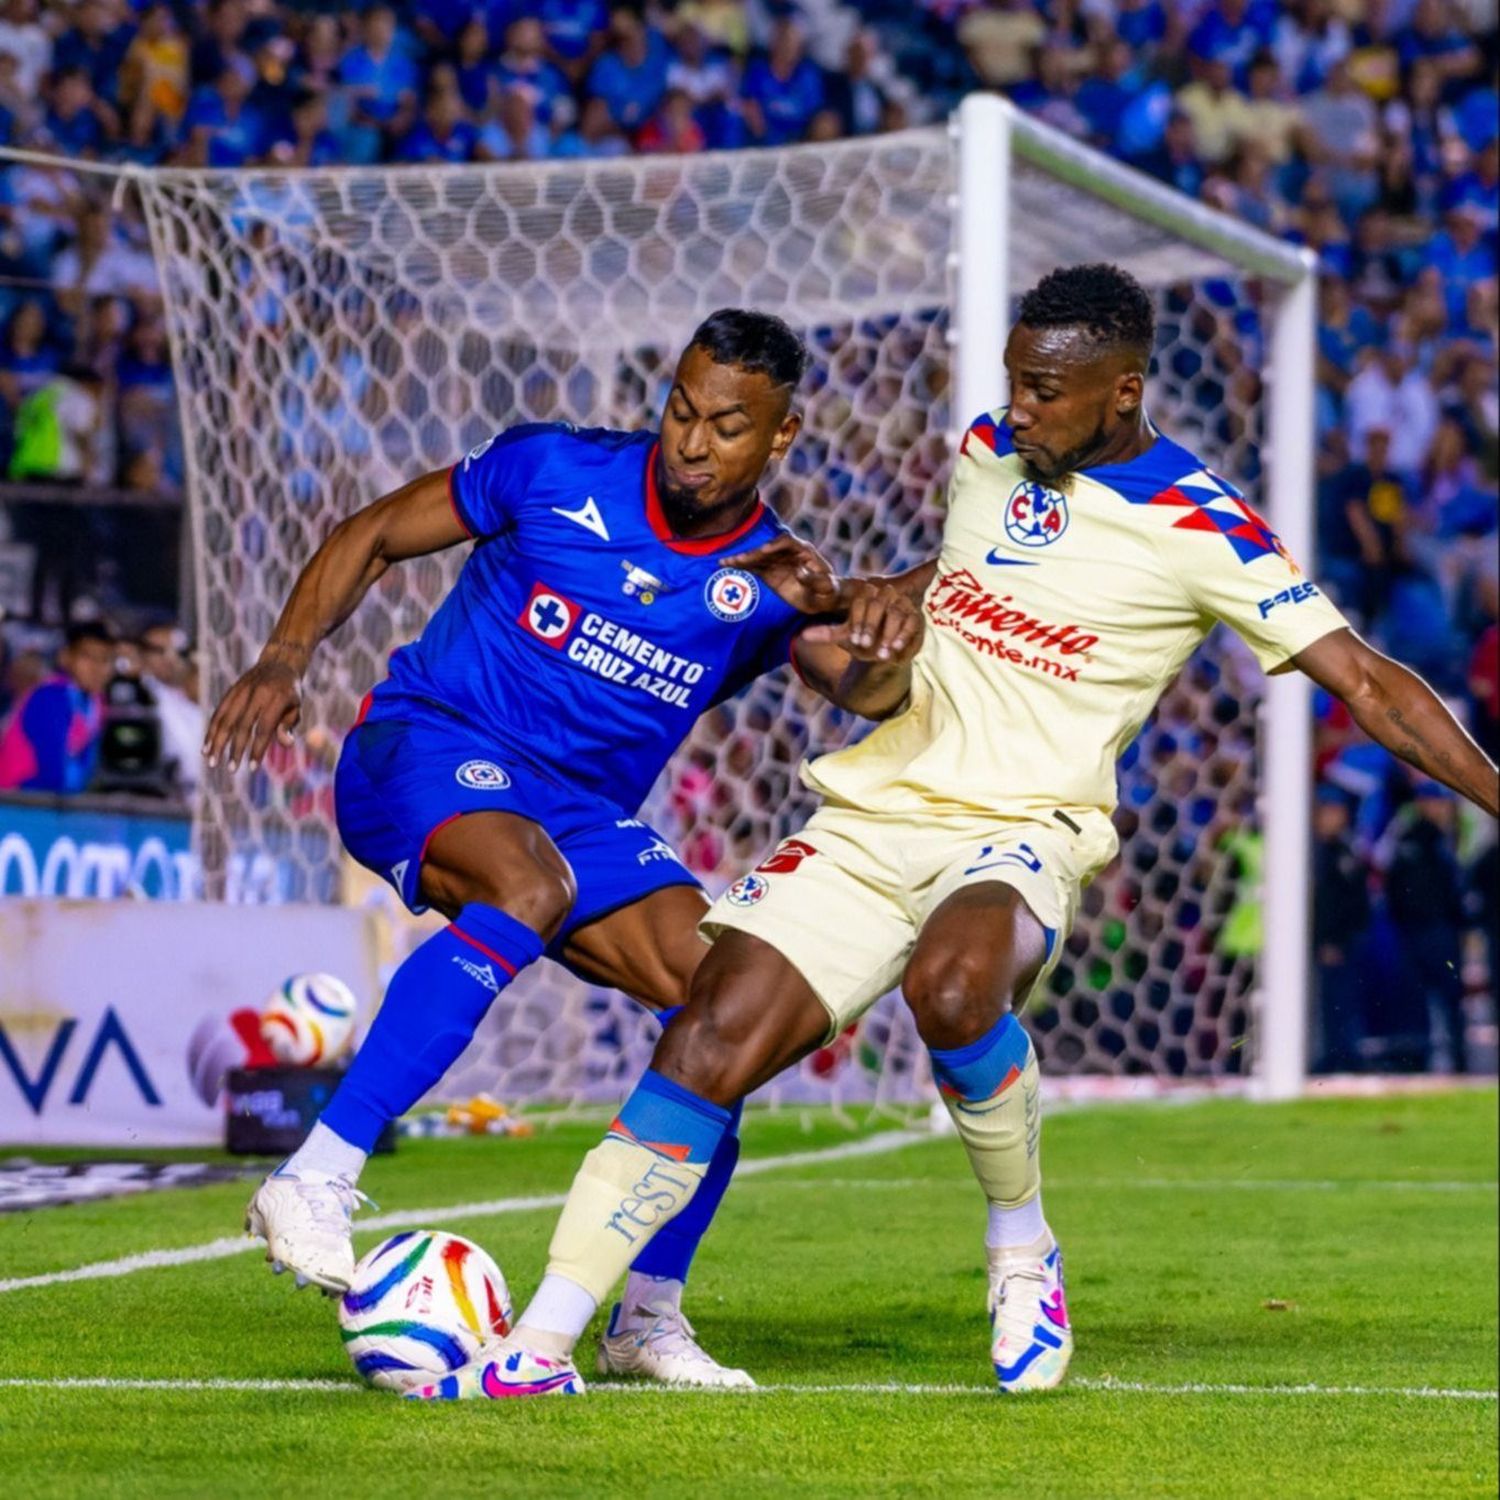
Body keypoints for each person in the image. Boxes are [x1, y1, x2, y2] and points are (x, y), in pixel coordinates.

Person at [413, 263, 1500, 1402]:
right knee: (708, 1036)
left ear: (1121, 395)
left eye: (1044, 390)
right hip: (879, 807)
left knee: (952, 983)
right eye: (1012, 384)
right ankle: (539, 1347)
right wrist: (878, 592)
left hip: (1026, 825)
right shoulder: (993, 448)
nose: (1015, 407)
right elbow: (963, 572)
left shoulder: (1205, 528)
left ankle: (1022, 1249)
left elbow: (1371, 687)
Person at [206, 309, 917, 1387]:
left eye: (726, 427)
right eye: (681, 409)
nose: (690, 441)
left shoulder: (775, 579)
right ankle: (316, 1169)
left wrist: (894, 618)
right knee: (530, 880)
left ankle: (646, 1320)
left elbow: (868, 690)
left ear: (782, 437)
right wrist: (282, 655)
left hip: (578, 811)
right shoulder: (549, 470)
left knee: (726, 1006)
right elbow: (374, 532)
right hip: (428, 743)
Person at [0, 618, 113, 793]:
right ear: (65, 657)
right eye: (87, 657)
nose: (97, 668)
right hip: (19, 805)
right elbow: (53, 772)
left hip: (61, 807)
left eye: (105, 660)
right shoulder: (49, 697)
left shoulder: (97, 703)